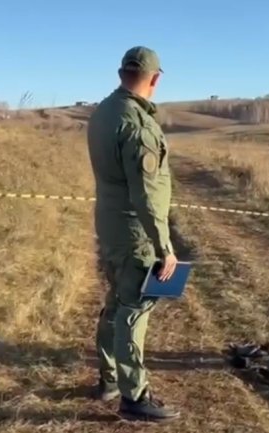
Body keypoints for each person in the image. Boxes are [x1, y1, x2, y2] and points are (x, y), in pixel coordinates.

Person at [86, 45, 180, 422]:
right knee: (134, 309)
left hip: (109, 227)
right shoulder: (138, 126)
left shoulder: (103, 113)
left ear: (121, 72)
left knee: (116, 302)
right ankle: (135, 395)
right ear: (155, 79)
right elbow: (146, 196)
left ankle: (109, 378)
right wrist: (164, 247)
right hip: (134, 232)